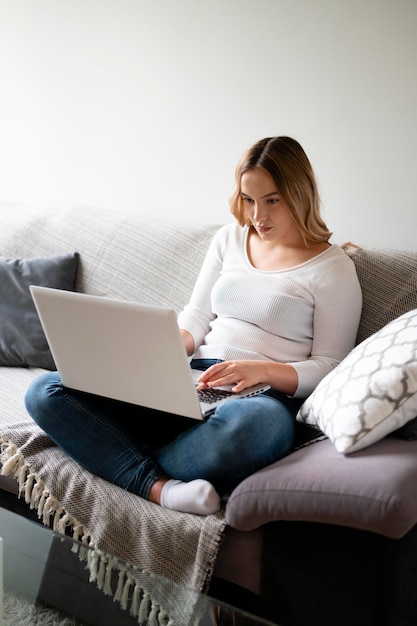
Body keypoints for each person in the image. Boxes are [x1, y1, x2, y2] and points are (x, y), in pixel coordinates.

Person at [25, 136, 362, 516]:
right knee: (45, 389)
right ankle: (158, 487)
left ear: (300, 194)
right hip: (191, 381)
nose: (257, 217)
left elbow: (331, 366)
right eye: (248, 200)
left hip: (260, 398)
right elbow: (197, 318)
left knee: (259, 428)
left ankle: (118, 451)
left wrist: (260, 370)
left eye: (272, 200)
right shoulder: (229, 239)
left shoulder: (333, 268)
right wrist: (162, 348)